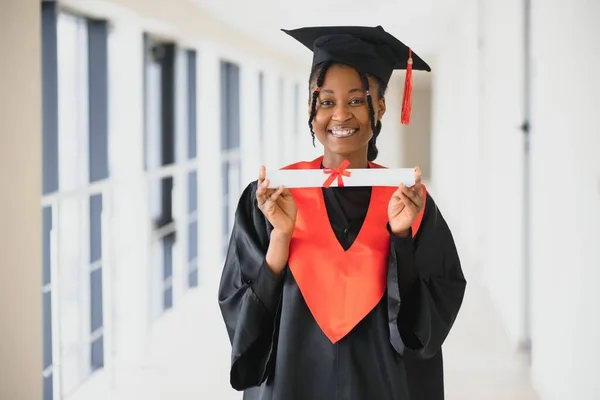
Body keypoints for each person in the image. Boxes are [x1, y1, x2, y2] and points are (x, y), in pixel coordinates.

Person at [218, 25, 466, 400]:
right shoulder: (270, 197)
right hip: (293, 380)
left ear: (379, 107)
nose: (340, 115)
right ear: (311, 108)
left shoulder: (409, 201)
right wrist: (281, 236)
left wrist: (401, 237)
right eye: (326, 100)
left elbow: (432, 312)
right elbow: (243, 312)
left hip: (382, 383)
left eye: (356, 100)